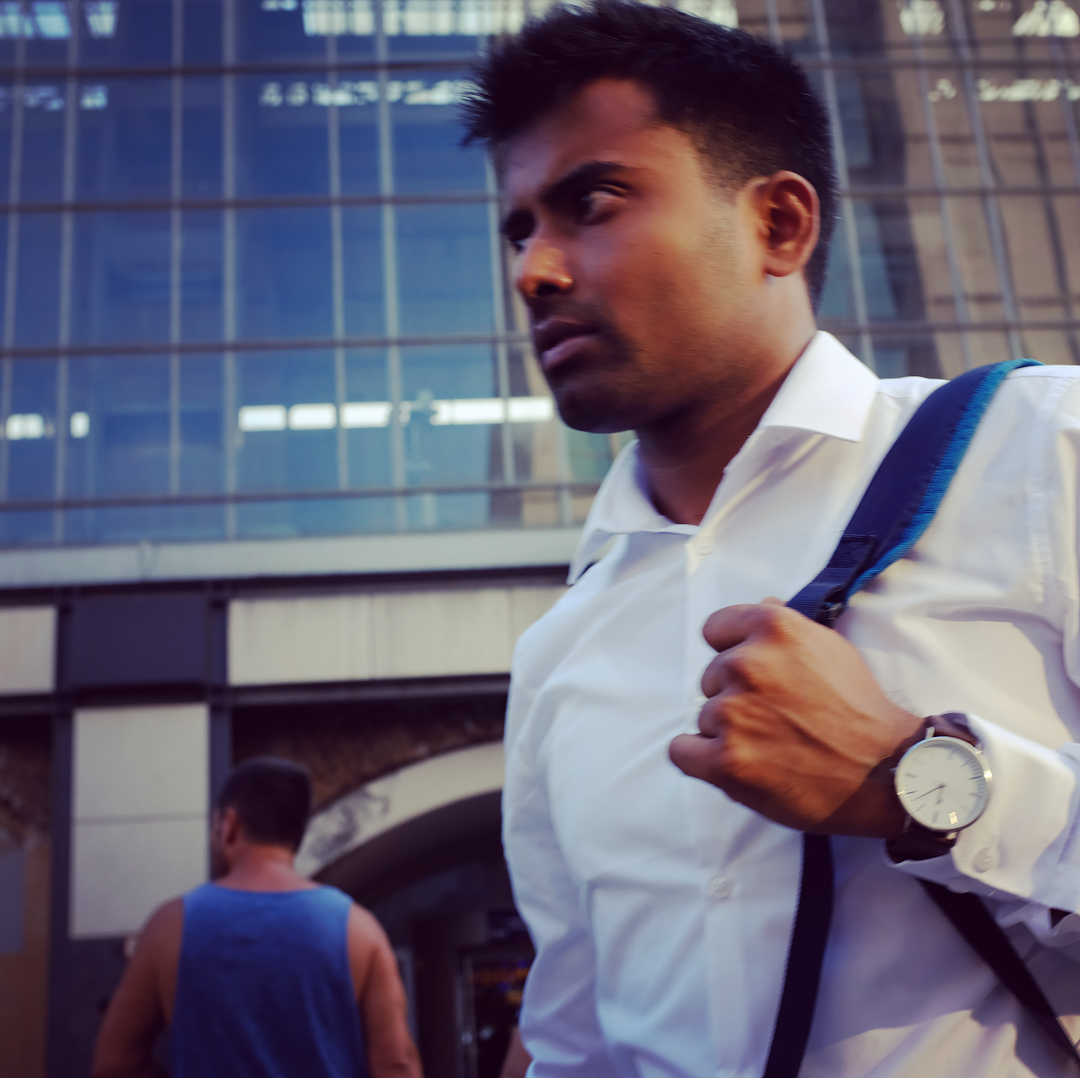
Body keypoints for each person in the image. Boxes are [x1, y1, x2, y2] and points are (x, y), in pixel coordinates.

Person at [462, 3, 1080, 1076]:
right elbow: (576, 1039)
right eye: (520, 229)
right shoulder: (559, 652)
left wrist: (918, 778)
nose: (534, 271)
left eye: (592, 202)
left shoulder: (1043, 450)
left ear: (780, 225)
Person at [92, 757, 422, 1078]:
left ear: (229, 825)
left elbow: (115, 1065)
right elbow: (396, 1066)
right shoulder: (357, 928)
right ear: (296, 835)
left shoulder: (171, 926)